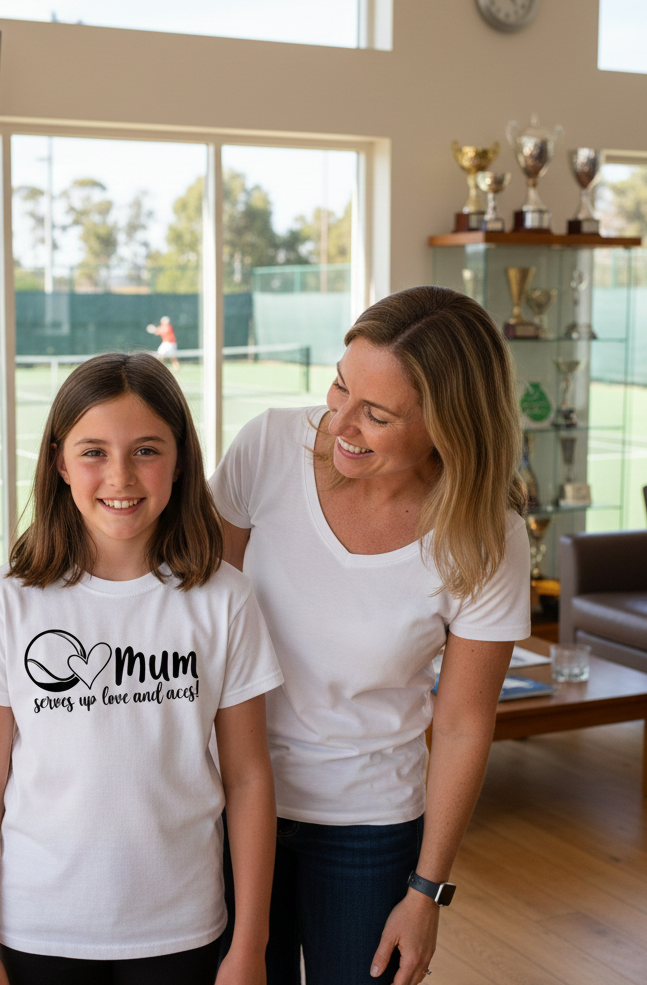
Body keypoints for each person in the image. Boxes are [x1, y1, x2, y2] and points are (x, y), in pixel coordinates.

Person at [211, 286, 531, 985]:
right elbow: (197, 617)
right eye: (339, 386)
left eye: (377, 415)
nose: (340, 423)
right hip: (229, 803)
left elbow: (463, 723)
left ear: (447, 426)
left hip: (369, 829)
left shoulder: (486, 536)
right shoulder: (268, 447)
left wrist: (427, 892)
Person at [0, 352, 283, 985]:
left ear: (180, 460)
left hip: (183, 927)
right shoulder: (8, 599)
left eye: (146, 450)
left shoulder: (225, 599)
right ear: (59, 462)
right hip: (40, 928)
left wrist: (250, 945)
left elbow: (248, 778)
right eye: (94, 452)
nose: (120, 476)